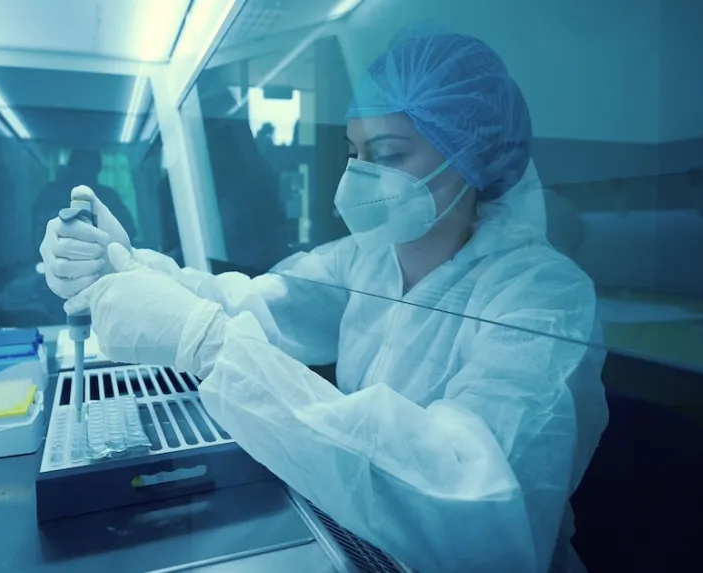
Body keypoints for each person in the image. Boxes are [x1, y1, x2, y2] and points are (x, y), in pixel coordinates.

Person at [40, 31, 607, 573]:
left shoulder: (543, 295)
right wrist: (129, 263)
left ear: (468, 155)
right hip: (367, 540)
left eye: (387, 153)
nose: (359, 176)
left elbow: (474, 506)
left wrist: (206, 342)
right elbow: (257, 305)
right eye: (355, 152)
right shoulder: (367, 259)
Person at [30, 149, 138, 251]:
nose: (85, 172)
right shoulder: (51, 193)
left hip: (104, 260)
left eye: (90, 167)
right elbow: (39, 236)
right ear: (71, 166)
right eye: (80, 165)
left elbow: (127, 234)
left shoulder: (110, 198)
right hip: (56, 258)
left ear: (98, 168)